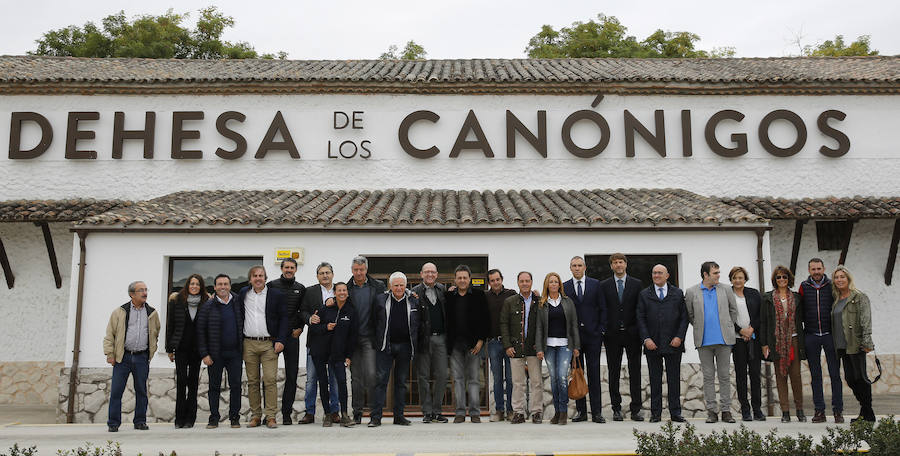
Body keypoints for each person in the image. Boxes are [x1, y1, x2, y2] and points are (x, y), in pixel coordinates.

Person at [685, 261, 751, 424]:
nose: (718, 276)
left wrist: (728, 325)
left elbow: (733, 310)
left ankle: (726, 411)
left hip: (724, 340)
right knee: (708, 377)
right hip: (704, 341)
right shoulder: (692, 292)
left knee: (724, 377)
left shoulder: (726, 289)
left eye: (718, 272)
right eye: (715, 273)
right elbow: (690, 315)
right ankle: (712, 412)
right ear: (705, 274)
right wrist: (701, 326)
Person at [103, 281, 160, 432]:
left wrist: (151, 352)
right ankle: (113, 423)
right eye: (141, 290)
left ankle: (140, 421)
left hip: (142, 358)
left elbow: (155, 333)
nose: (145, 293)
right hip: (123, 358)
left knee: (141, 391)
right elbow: (110, 334)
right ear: (132, 294)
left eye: (146, 289)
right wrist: (110, 354)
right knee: (116, 391)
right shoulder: (119, 312)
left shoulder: (152, 313)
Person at [238, 265, 288, 429]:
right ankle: (256, 416)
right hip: (249, 343)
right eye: (255, 276)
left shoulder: (276, 295)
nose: (258, 278)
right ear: (250, 279)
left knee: (270, 380)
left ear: (265, 278)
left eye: (261, 275)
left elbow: (284, 318)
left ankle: (271, 416)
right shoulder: (243, 294)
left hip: (269, 344)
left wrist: (281, 339)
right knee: (252, 381)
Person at [636, 264, 688, 423]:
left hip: (674, 344)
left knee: (674, 380)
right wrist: (646, 339)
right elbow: (640, 318)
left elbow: (684, 318)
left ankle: (675, 413)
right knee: (655, 380)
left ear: (667, 275)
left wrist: (679, 337)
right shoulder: (645, 294)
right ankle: (655, 413)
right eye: (654, 273)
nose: (656, 275)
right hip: (653, 344)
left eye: (660, 273)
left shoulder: (677, 293)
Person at [369, 272, 422, 427]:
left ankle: (399, 416)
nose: (399, 288)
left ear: (406, 285)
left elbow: (419, 323)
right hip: (386, 346)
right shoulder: (380, 300)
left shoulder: (413, 300)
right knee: (381, 382)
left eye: (401, 285)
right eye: (396, 285)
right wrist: (377, 343)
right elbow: (373, 322)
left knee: (401, 383)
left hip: (405, 347)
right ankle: (375, 417)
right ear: (390, 286)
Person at [599, 253, 643, 422]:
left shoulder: (637, 284)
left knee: (635, 372)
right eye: (615, 262)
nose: (618, 265)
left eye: (621, 262)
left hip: (633, 334)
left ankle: (636, 409)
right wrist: (604, 329)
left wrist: (638, 329)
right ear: (611, 266)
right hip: (612, 335)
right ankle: (616, 408)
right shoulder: (604, 285)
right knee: (614, 372)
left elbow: (640, 309)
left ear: (626, 264)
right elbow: (602, 308)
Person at [799, 258, 843, 423]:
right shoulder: (804, 287)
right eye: (813, 269)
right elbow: (800, 309)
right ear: (809, 270)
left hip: (830, 335)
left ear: (824, 268)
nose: (816, 272)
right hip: (811, 335)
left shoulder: (832, 285)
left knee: (835, 374)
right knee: (815, 375)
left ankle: (838, 411)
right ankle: (819, 411)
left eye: (819, 268)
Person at [196, 274, 243, 429]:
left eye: (226, 284)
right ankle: (214, 418)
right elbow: (200, 331)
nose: (223, 287)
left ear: (230, 286)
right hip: (215, 355)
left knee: (236, 386)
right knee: (214, 387)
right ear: (214, 287)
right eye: (220, 284)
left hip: (235, 353)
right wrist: (204, 354)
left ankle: (234, 418)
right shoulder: (207, 306)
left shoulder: (238, 302)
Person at [308, 282, 358, 427]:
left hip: (339, 354)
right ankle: (328, 415)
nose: (342, 292)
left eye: (344, 290)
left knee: (342, 382)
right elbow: (314, 328)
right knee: (323, 383)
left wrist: (349, 356)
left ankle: (344, 415)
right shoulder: (326, 308)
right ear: (334, 293)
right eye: (339, 290)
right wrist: (326, 327)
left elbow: (353, 336)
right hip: (320, 352)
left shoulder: (351, 311)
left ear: (347, 293)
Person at [760, 266, 806, 423]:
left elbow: (802, 319)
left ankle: (799, 410)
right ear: (775, 280)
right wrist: (764, 343)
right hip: (777, 341)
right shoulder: (767, 298)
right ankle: (785, 411)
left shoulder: (797, 297)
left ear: (789, 279)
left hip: (794, 340)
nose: (781, 280)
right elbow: (764, 322)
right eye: (778, 277)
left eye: (784, 277)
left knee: (796, 376)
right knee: (781, 376)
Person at [563, 256, 606, 423]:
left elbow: (603, 308)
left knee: (594, 375)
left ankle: (597, 412)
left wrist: (600, 330)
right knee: (577, 373)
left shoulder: (596, 285)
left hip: (593, 336)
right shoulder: (565, 287)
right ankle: (581, 412)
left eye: (580, 265)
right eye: (574, 265)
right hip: (575, 338)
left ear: (585, 267)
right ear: (570, 268)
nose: (577, 268)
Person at [535, 272, 581, 425]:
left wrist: (576, 346)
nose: (553, 284)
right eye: (551, 282)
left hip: (565, 346)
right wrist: (539, 349)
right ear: (547, 285)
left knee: (562, 378)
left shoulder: (568, 302)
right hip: (548, 346)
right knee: (554, 380)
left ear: (559, 285)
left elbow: (574, 324)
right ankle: (557, 412)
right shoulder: (542, 303)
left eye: (556, 282)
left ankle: (564, 411)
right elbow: (539, 328)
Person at [831, 265, 875, 423]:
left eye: (842, 277)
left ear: (848, 279)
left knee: (861, 378)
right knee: (850, 379)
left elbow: (866, 320)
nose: (839, 280)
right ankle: (866, 411)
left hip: (856, 344)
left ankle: (867, 413)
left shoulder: (859, 297)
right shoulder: (836, 300)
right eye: (836, 277)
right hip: (842, 346)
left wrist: (867, 340)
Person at [446, 264, 489, 423]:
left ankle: (475, 413)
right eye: (459, 278)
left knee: (473, 379)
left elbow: (485, 320)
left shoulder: (479, 296)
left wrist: (480, 341)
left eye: (465, 277)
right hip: (455, 345)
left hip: (473, 346)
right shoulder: (449, 297)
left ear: (469, 279)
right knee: (457, 380)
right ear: (455, 280)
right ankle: (459, 413)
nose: (462, 280)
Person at [298, 262, 340, 424]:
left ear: (332, 274)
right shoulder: (310, 291)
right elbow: (302, 311)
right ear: (317, 276)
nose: (325, 275)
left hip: (334, 342)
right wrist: (309, 318)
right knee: (311, 379)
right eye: (321, 273)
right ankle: (310, 412)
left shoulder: (340, 291)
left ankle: (334, 411)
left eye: (327, 272)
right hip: (315, 342)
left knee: (334, 379)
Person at [346, 256, 385, 424]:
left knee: (371, 375)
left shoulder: (378, 286)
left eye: (361, 270)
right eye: (356, 270)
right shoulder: (345, 288)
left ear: (366, 270)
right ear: (352, 270)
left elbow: (387, 304)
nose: (359, 273)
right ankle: (357, 412)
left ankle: (375, 414)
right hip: (353, 339)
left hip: (370, 337)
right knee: (356, 378)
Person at [266, 258, 306, 425]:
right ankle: (269, 414)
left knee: (292, 375)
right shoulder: (271, 286)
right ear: (281, 268)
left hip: (292, 336)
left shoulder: (300, 289)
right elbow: (265, 309)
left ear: (296, 269)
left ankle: (286, 414)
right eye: (286, 267)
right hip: (274, 337)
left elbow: (303, 311)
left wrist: (301, 327)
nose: (289, 270)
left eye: (292, 267)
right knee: (269, 377)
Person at [165, 274, 208, 428]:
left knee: (193, 384)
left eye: (197, 284)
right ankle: (179, 419)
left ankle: (190, 419)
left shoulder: (205, 302)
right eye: (192, 284)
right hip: (181, 348)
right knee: (182, 382)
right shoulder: (176, 301)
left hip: (197, 349)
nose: (194, 286)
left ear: (201, 286)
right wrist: (169, 348)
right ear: (187, 285)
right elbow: (170, 325)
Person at [500, 271, 543, 424]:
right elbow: (503, 324)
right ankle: (518, 412)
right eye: (522, 281)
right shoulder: (510, 302)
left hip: (533, 348)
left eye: (527, 281)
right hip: (515, 348)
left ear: (532, 282)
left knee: (536, 382)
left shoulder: (540, 301)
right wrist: (507, 345)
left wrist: (540, 346)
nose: (525, 283)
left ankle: (537, 412)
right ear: (518, 283)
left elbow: (543, 325)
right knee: (517, 382)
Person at [412, 262, 449, 423]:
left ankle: (437, 411)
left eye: (433, 272)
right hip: (423, 340)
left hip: (441, 338)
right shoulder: (414, 292)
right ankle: (427, 412)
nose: (430, 275)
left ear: (437, 274)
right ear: (421, 274)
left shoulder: (443, 290)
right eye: (427, 272)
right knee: (423, 377)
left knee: (442, 375)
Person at [728, 266, 765, 422]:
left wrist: (750, 329)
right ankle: (745, 410)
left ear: (745, 279)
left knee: (755, 375)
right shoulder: (727, 294)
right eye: (735, 277)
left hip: (753, 339)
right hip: (737, 341)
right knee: (741, 376)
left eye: (740, 277)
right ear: (731, 279)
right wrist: (740, 331)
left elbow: (760, 314)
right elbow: (726, 316)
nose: (738, 280)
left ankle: (757, 409)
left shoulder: (754, 293)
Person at [485, 269, 517, 421]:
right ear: (489, 282)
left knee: (511, 379)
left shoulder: (511, 294)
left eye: (497, 279)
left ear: (502, 279)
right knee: (497, 378)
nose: (495, 282)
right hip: (493, 343)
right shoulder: (485, 297)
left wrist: (536, 294)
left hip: (510, 344)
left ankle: (511, 410)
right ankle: (499, 410)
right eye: (492, 280)